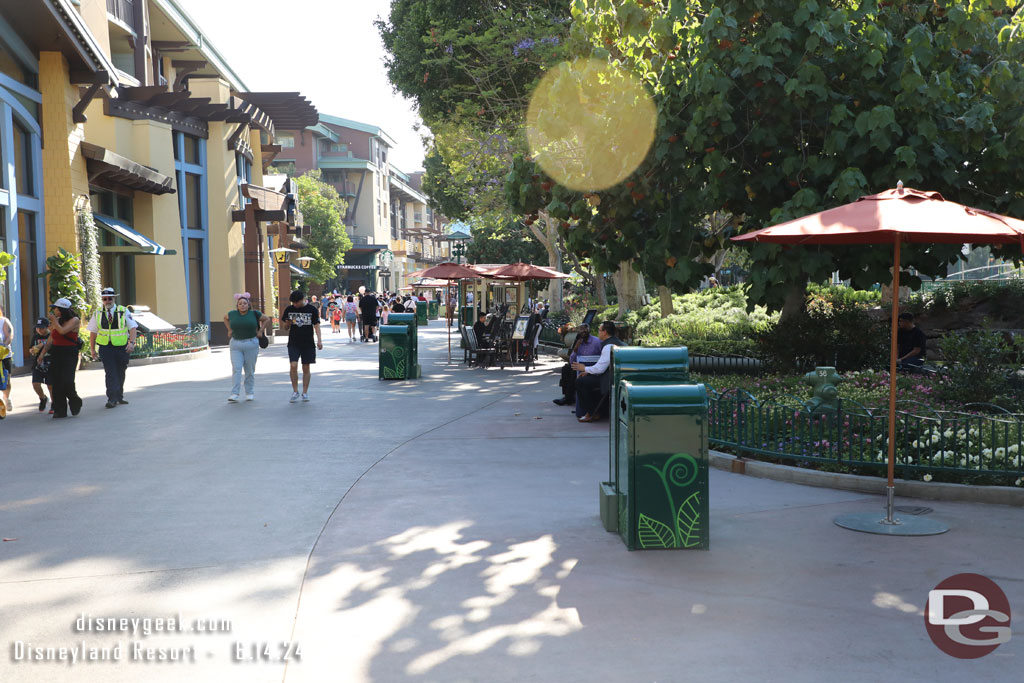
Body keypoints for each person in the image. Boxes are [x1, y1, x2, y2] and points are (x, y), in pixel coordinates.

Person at [87, 287, 138, 409]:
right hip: (106, 347)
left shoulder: (123, 311)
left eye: (110, 298)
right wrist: (92, 349)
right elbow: (93, 332)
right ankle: (111, 398)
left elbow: (133, 328)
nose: (107, 301)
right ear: (102, 300)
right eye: (105, 299)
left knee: (120, 372)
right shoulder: (98, 313)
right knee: (110, 372)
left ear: (114, 299)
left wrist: (131, 343)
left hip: (121, 347)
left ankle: (119, 396)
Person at [38, 298, 83, 419]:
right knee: (56, 382)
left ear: (62, 309)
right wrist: (42, 353)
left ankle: (75, 401)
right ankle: (60, 410)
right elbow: (51, 339)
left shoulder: (74, 320)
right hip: (57, 352)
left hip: (69, 353)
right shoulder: (56, 321)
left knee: (67, 380)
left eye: (56, 308)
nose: (54, 311)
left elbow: (62, 331)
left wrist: (53, 321)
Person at [572, 320, 624, 423]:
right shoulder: (616, 342)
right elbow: (601, 366)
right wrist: (588, 371)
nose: (598, 332)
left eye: (599, 330)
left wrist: (584, 368)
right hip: (613, 375)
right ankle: (594, 410)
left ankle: (591, 412)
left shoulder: (609, 346)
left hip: (610, 379)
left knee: (580, 382)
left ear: (605, 332)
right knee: (585, 378)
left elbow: (600, 368)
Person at [224, 292, 269, 402]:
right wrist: (229, 330)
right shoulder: (232, 314)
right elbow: (225, 318)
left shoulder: (254, 313)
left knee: (249, 370)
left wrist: (260, 331)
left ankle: (249, 392)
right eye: (240, 304)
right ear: (237, 305)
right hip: (236, 344)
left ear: (248, 305)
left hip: (251, 343)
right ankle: (234, 393)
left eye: (245, 303)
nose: (242, 305)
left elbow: (266, 319)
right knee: (237, 368)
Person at [280, 290, 322, 402]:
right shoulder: (289, 309)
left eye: (297, 302)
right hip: (293, 342)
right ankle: (295, 391)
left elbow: (317, 326)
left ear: (303, 299)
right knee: (293, 366)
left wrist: (319, 340)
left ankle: (305, 392)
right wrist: (288, 323)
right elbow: (285, 327)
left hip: (308, 342)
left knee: (306, 367)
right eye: (293, 302)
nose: (295, 305)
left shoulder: (312, 310)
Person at [554, 323, 602, 406]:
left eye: (585, 330)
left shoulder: (596, 342)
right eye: (581, 330)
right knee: (566, 368)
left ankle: (568, 398)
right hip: (580, 364)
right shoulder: (579, 342)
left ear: (589, 331)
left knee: (574, 371)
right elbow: (572, 360)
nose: (583, 332)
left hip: (592, 365)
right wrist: (575, 349)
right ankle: (567, 395)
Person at [28, 318, 53, 413]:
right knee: (35, 384)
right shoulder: (35, 337)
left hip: (50, 363)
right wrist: (32, 350)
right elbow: (31, 349)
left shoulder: (51, 336)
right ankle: (43, 398)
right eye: (37, 328)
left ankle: (53, 405)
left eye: (41, 328)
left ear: (47, 327)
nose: (39, 330)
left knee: (50, 385)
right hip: (38, 364)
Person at [0, 305, 12, 412]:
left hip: (3, 355)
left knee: (6, 379)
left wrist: (4, 345)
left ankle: (6, 398)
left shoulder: (4, 321)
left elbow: (9, 335)